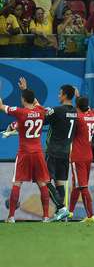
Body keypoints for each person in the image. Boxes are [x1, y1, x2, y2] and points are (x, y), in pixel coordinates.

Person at [0, 79, 52, 222]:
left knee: (17, 183)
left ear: (23, 100)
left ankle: (11, 217)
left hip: (24, 153)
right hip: (38, 153)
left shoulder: (20, 112)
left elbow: (1, 106)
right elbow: (36, 103)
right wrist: (26, 89)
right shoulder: (41, 111)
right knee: (42, 183)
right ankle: (46, 216)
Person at [34, 78, 76, 222]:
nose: (58, 96)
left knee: (43, 180)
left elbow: (41, 116)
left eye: (59, 94)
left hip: (53, 151)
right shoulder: (76, 112)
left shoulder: (57, 110)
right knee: (60, 182)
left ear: (64, 95)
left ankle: (61, 207)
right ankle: (62, 214)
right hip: (66, 152)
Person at [67, 95, 94, 222]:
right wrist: (79, 99)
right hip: (88, 155)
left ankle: (91, 216)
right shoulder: (92, 115)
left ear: (77, 106)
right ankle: (70, 213)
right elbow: (87, 109)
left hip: (78, 156)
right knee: (77, 185)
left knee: (82, 186)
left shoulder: (78, 118)